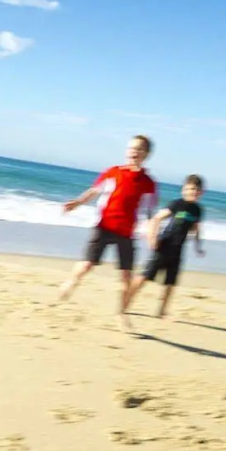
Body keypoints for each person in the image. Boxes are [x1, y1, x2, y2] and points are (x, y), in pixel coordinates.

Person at [56, 135, 159, 325]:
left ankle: (121, 311)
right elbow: (94, 191)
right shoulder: (113, 172)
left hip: (126, 232)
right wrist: (78, 202)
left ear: (146, 154)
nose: (134, 152)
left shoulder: (148, 183)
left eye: (139, 149)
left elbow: (150, 211)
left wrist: (151, 232)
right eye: (131, 148)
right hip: (104, 225)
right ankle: (71, 281)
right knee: (87, 264)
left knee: (126, 274)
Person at [128, 174, 206, 318]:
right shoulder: (177, 204)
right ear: (184, 190)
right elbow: (157, 218)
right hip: (164, 246)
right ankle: (126, 302)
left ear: (202, 192)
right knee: (145, 276)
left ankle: (162, 311)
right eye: (190, 189)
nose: (193, 192)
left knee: (171, 283)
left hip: (178, 249)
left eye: (196, 190)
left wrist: (198, 246)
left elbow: (196, 228)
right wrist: (152, 237)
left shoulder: (198, 210)